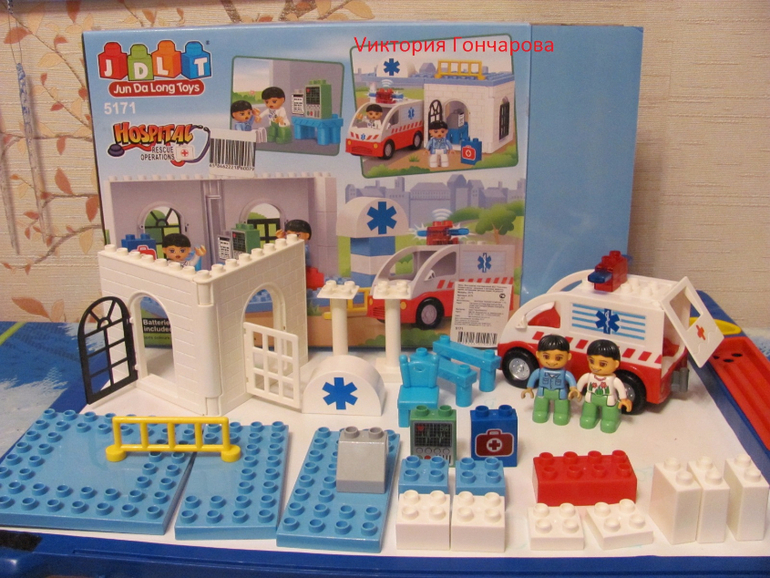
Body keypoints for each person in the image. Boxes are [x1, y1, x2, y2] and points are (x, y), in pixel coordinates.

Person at [575, 339, 632, 433]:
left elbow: (620, 388)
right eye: (592, 361)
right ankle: (589, 417)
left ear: (616, 364)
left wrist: (623, 399)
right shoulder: (589, 376)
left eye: (602, 364)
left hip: (608, 399)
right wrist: (577, 390)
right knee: (589, 407)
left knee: (609, 410)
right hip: (591, 397)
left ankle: (609, 420)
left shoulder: (613, 380)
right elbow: (581, 383)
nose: (595, 367)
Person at [522, 334, 579, 425]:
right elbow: (533, 378)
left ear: (568, 356)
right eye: (546, 357)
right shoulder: (540, 372)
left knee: (561, 404)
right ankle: (540, 411)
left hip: (560, 392)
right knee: (541, 402)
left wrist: (573, 389)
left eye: (558, 358)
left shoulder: (565, 373)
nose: (552, 362)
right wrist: (529, 388)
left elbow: (571, 380)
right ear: (538, 354)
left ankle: (562, 414)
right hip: (543, 391)